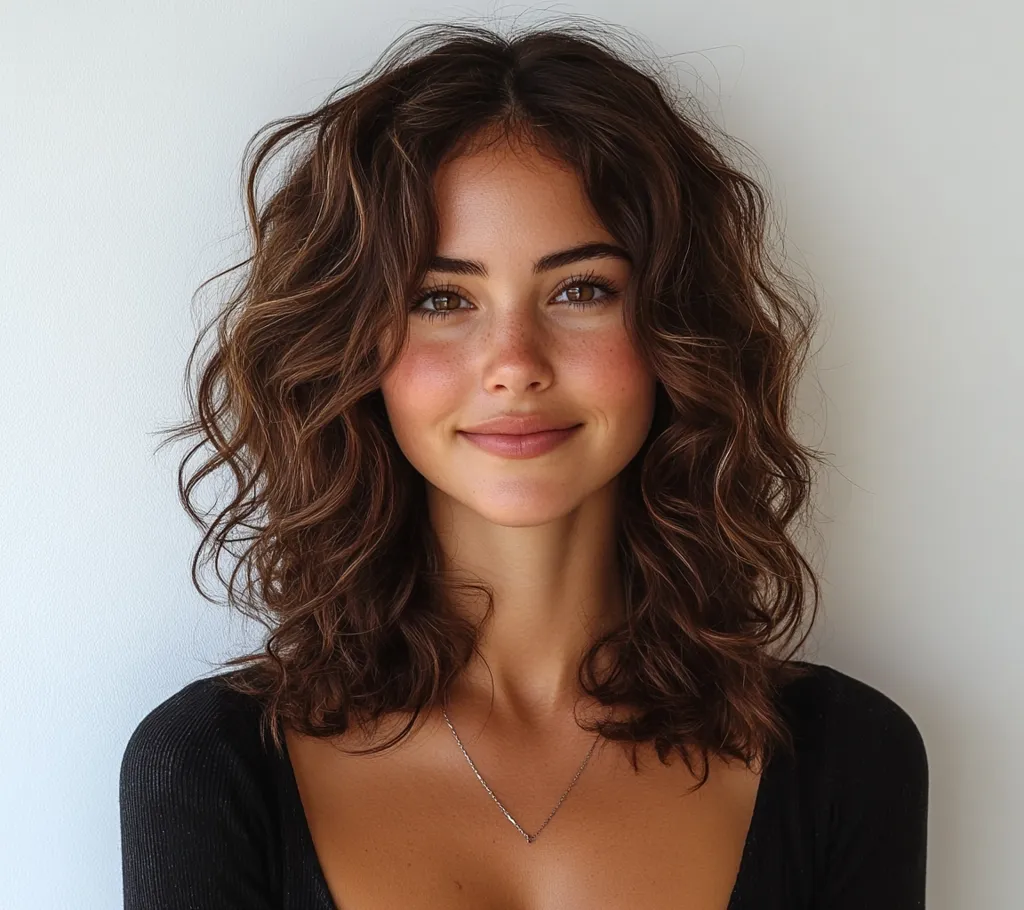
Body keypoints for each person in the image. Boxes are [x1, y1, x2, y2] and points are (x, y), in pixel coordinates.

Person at [119, 17, 929, 910]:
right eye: (440, 297)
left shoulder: (847, 756)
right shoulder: (209, 766)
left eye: (581, 290)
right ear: (354, 350)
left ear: (674, 330)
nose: (514, 360)